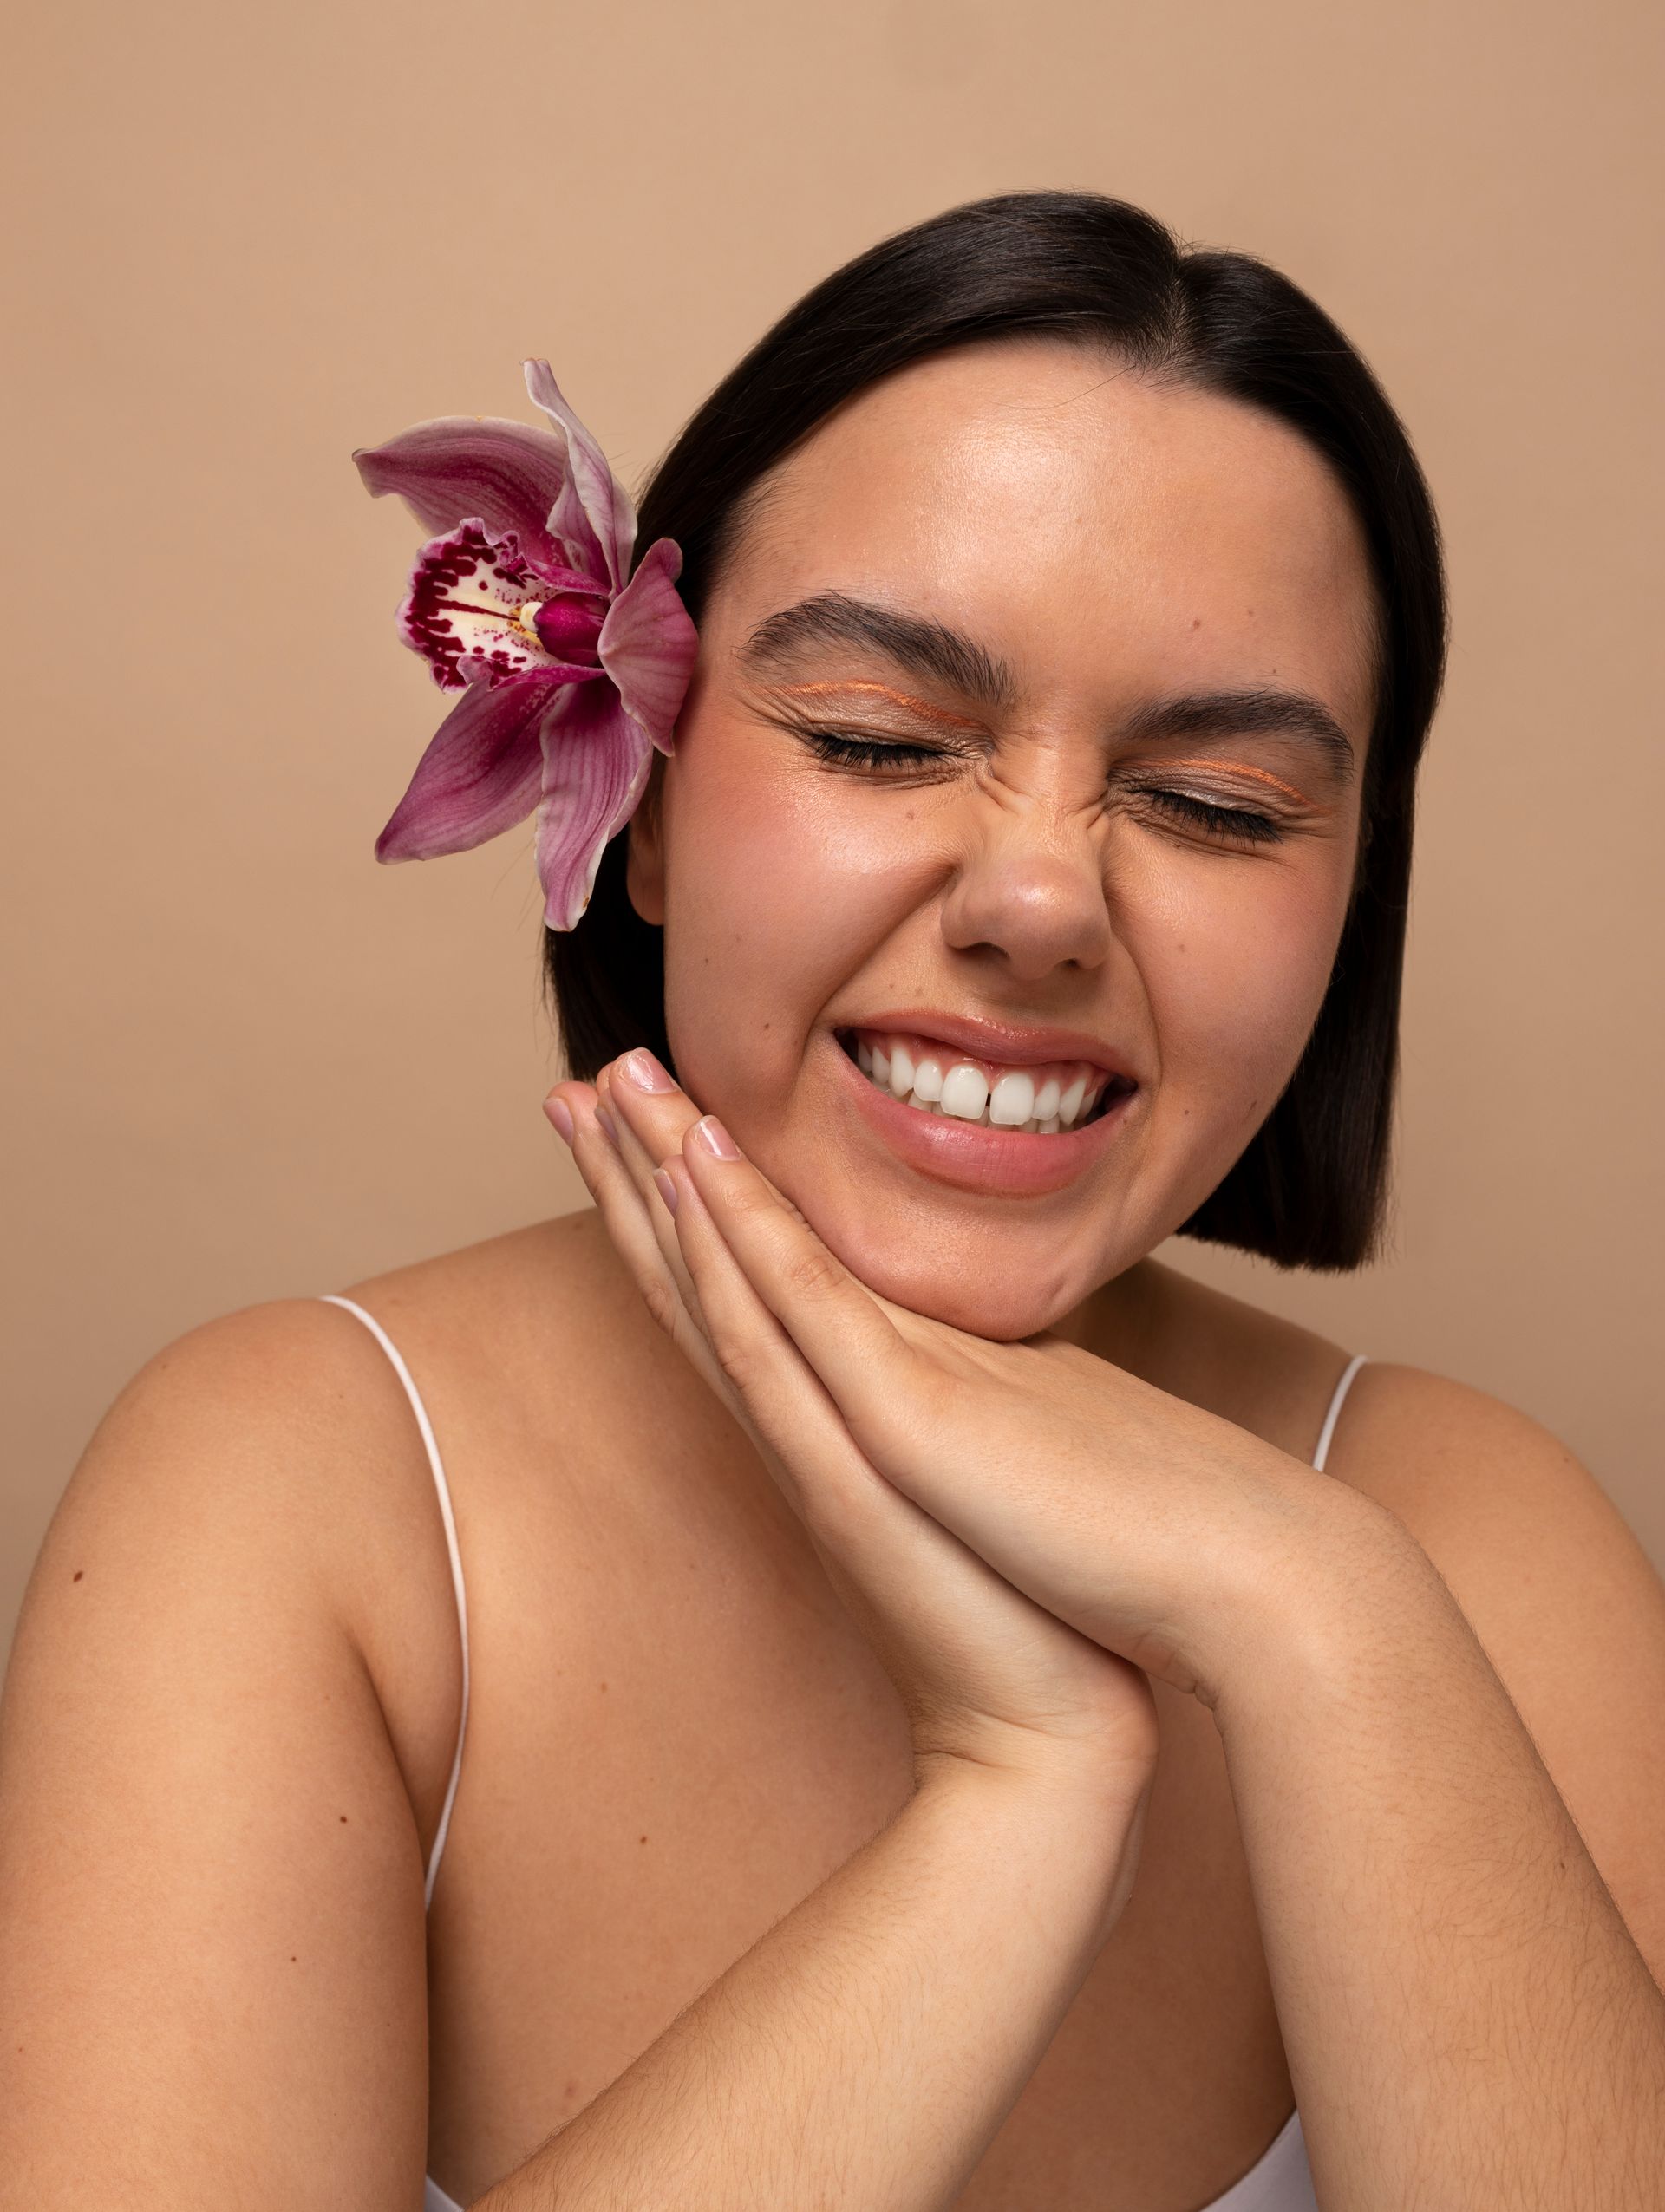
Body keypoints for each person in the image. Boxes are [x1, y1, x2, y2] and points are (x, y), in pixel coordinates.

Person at [3, 191, 1662, 2211]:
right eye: (881, 740)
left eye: (1218, 806)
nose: (1042, 902)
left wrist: (1319, 1603)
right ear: (641, 810)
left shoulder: (1469, 1550)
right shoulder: (303, 1496)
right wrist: (1017, 1794)